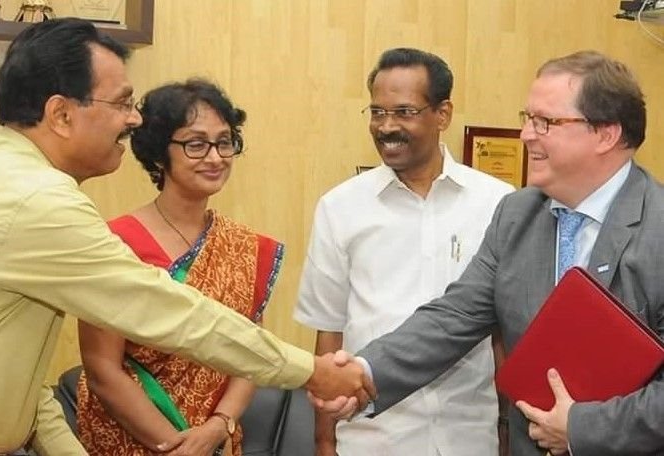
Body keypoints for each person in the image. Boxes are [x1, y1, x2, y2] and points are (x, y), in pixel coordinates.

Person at [0, 18, 372, 455]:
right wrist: (311, 371)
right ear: (62, 114)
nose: (133, 118)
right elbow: (166, 312)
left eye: (226, 143)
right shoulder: (34, 200)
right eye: (122, 102)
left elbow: (20, 384)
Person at [317, 50, 664, 456]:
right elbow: (455, 316)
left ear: (606, 134)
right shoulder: (518, 215)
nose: (526, 135)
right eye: (527, 118)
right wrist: (364, 372)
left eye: (545, 122)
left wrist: (581, 428)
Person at [294, 48, 514, 456]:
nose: (386, 127)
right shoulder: (340, 207)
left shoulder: (498, 203)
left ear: (443, 115)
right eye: (377, 113)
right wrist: (324, 442)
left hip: (469, 437)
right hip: (372, 438)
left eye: (404, 112)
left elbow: (503, 332)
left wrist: (508, 435)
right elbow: (329, 335)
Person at [76, 79, 278, 456]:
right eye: (196, 144)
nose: (215, 157)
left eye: (224, 141)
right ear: (157, 154)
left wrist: (218, 426)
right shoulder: (114, 242)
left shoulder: (243, 247)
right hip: (129, 438)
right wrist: (176, 446)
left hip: (215, 439)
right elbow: (103, 369)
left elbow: (251, 352)